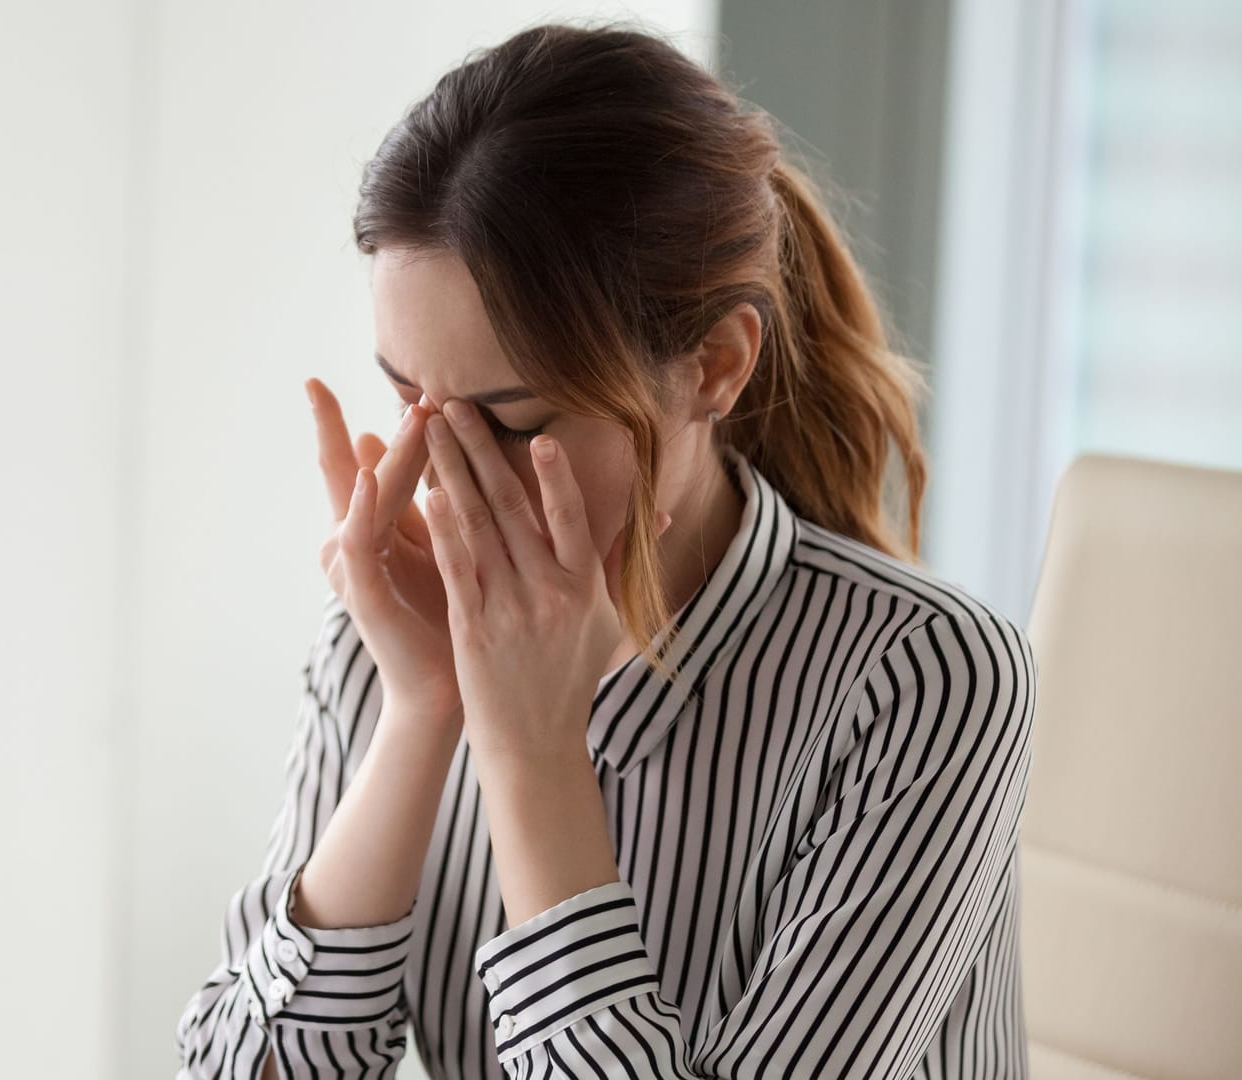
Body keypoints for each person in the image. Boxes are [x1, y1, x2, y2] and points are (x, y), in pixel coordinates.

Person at [174, 19, 1035, 1080]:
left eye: (518, 421)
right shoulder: (397, 623)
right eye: (408, 401)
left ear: (715, 365)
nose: (444, 477)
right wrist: (423, 710)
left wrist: (535, 760)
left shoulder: (924, 679)